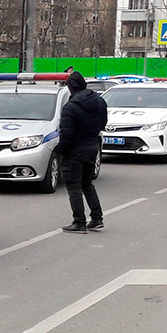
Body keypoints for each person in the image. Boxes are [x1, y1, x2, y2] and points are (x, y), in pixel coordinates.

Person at [58, 70, 107, 233]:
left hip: (74, 151)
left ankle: (79, 222)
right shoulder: (99, 101)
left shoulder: (70, 107)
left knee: (73, 186)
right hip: (92, 146)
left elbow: (66, 134)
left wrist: (61, 151)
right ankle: (97, 218)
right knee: (87, 183)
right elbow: (103, 122)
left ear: (71, 88)